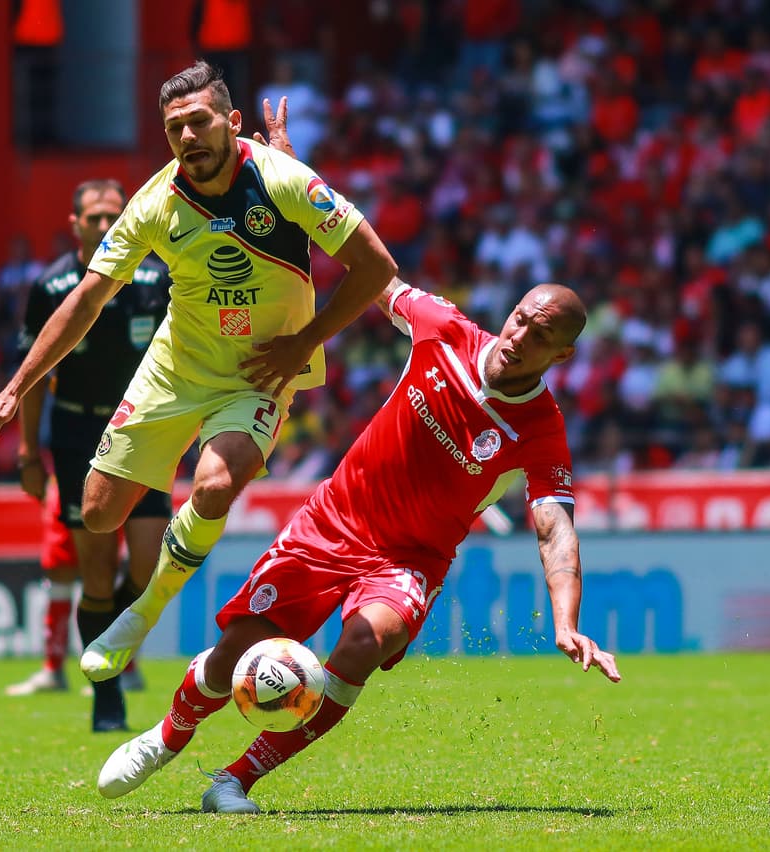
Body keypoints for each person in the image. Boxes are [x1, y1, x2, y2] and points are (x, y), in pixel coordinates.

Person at [95, 279, 622, 813]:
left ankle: (234, 780)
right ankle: (165, 739)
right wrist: (311, 220)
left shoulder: (541, 428)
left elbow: (555, 527)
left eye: (542, 334)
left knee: (365, 645)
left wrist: (565, 622)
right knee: (236, 653)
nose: (520, 336)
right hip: (330, 523)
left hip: (409, 559)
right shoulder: (442, 329)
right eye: (521, 318)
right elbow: (375, 276)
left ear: (563, 353)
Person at [0, 61, 398, 684]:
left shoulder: (285, 179)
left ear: (232, 121)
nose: (188, 138)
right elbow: (87, 299)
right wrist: (13, 391)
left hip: (260, 371)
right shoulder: (156, 200)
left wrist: (303, 342)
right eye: (175, 129)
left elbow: (375, 267)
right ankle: (150, 558)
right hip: (174, 367)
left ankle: (144, 612)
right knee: (100, 514)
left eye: (199, 122)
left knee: (216, 485)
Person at [3, 178, 174, 733]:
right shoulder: (51, 287)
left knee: (148, 569)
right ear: (74, 223)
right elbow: (33, 375)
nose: (105, 226)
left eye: (113, 216)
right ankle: (107, 696)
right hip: (77, 433)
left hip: (141, 428)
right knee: (96, 572)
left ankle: (115, 641)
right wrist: (30, 453)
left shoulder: (155, 278)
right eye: (94, 218)